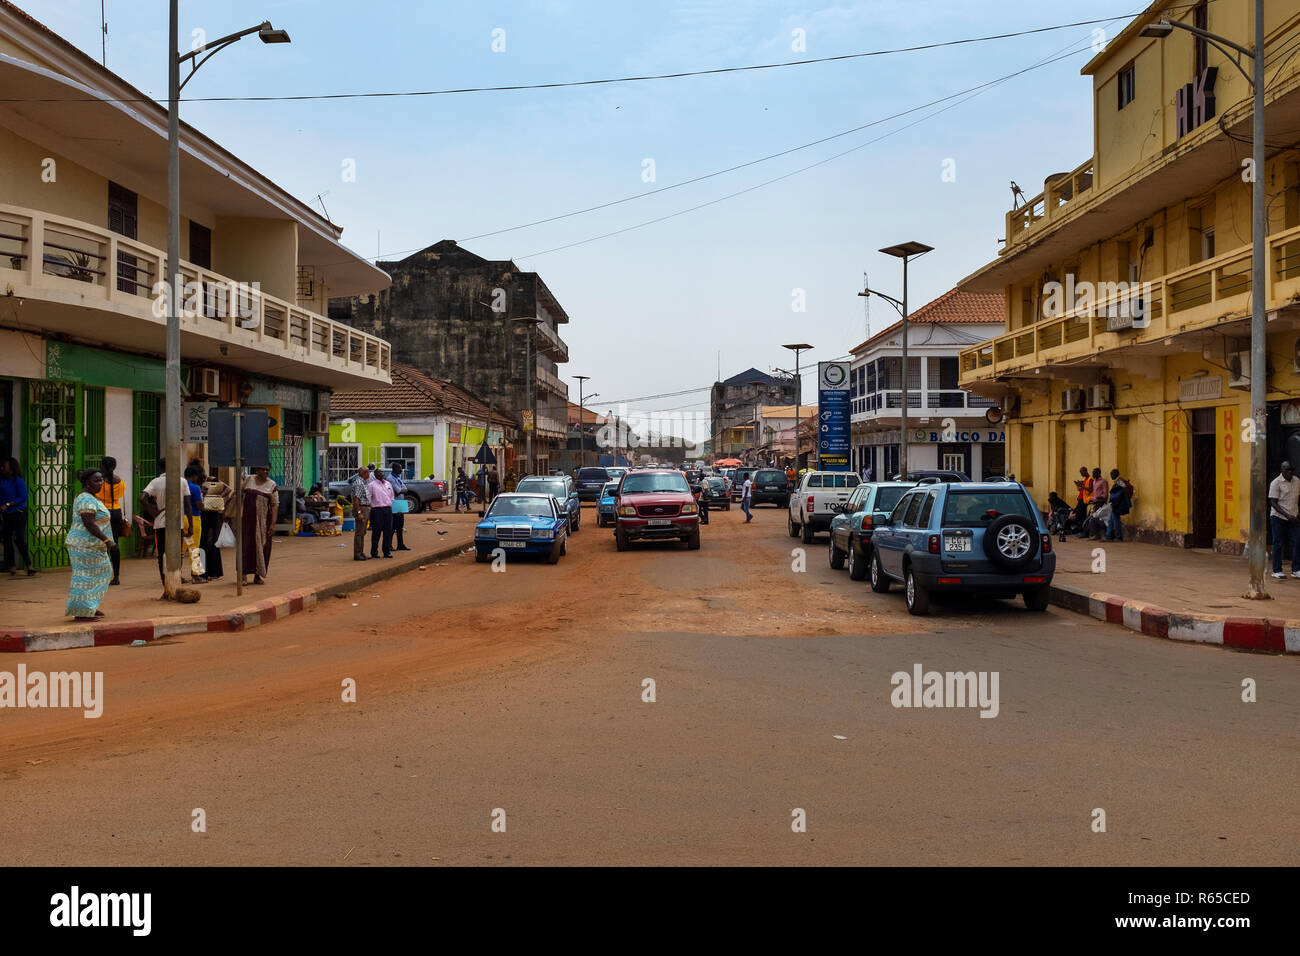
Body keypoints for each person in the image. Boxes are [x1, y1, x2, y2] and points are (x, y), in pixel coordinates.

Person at [65, 469, 116, 621]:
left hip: (93, 546)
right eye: (96, 480)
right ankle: (82, 612)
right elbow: (89, 522)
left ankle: (89, 607)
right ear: (87, 482)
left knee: (100, 572)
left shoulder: (91, 497)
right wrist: (107, 540)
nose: (100, 483)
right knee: (85, 577)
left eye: (101, 480)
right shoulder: (85, 499)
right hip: (83, 545)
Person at [142, 459, 195, 592]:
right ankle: (177, 577)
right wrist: (191, 525)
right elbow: (188, 504)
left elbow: (142, 498)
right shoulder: (182, 481)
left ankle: (164, 580)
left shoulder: (156, 482)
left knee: (161, 553)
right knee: (178, 552)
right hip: (178, 523)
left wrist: (152, 511)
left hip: (160, 523)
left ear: (160, 468)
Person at [93, 456, 129, 585]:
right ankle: (116, 576)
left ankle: (101, 574)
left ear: (103, 466)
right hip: (116, 512)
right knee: (114, 544)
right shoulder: (120, 481)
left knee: (101, 543)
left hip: (103, 512)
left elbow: (96, 494)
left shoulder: (101, 481)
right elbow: (121, 494)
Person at [241, 466, 277, 585]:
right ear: (257, 470)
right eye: (263, 469)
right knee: (245, 546)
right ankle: (243, 576)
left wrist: (272, 524)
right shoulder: (248, 479)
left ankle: (258, 576)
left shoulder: (272, 485)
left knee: (262, 547)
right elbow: (239, 495)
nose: (265, 472)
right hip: (247, 520)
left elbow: (274, 505)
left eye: (267, 470)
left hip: (263, 521)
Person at [0, 456, 35, 576]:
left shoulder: (18, 481)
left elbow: (23, 497)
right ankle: (12, 566)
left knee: (18, 538)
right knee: (7, 539)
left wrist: (8, 504)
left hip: (18, 512)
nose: (2, 468)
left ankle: (29, 565)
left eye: (4, 466)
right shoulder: (2, 480)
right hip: (7, 514)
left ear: (11, 468)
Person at [199, 470, 233, 581]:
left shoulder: (211, 480)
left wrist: (218, 497)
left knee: (211, 541)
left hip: (211, 512)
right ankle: (203, 573)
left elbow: (228, 489)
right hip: (203, 513)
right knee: (203, 542)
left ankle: (213, 572)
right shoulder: (196, 484)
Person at [1268, 461, 1300, 579]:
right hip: (1278, 517)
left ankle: (1296, 569)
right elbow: (1273, 503)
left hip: (1294, 517)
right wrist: (1287, 515)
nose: (1290, 472)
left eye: (1291, 470)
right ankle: (1277, 570)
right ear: (1282, 470)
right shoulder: (1276, 483)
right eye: (1287, 470)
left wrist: (1298, 514)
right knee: (1278, 543)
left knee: (1298, 541)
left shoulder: (1297, 481)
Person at [368, 466, 395, 558]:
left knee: (388, 531)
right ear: (375, 475)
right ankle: (374, 552)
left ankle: (386, 551)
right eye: (378, 473)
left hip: (388, 509)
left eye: (382, 473)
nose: (381, 474)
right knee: (377, 532)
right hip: (377, 510)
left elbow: (392, 496)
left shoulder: (388, 484)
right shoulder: (371, 485)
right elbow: (369, 498)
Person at [385, 462, 411, 551]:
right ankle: (389, 545)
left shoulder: (398, 477)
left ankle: (400, 544)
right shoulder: (390, 478)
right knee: (394, 525)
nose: (401, 470)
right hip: (395, 502)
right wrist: (401, 490)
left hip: (401, 502)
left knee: (400, 525)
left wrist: (401, 490)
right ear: (395, 469)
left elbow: (405, 489)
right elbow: (398, 490)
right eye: (400, 468)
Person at [349, 464, 372, 560]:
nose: (369, 474)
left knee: (363, 532)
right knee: (359, 532)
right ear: (364, 473)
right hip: (362, 508)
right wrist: (359, 512)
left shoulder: (364, 482)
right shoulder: (359, 483)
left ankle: (361, 552)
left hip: (366, 508)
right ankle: (357, 554)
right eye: (368, 472)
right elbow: (356, 499)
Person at [1106, 469, 1131, 542]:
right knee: (1111, 520)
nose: (1111, 476)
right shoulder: (1117, 481)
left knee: (1116, 520)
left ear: (1116, 474)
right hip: (1115, 503)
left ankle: (1118, 537)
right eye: (1111, 474)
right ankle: (1108, 536)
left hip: (1117, 504)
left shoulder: (1119, 481)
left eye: (1112, 474)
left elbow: (1124, 490)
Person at [1073, 466, 1093, 536]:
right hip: (1083, 499)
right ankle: (1081, 531)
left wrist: (1082, 486)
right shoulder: (1085, 479)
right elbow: (1082, 489)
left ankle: (1083, 531)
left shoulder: (1090, 479)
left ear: (1085, 471)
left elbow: (1090, 489)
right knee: (1080, 515)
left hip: (1087, 500)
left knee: (1079, 515)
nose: (1081, 474)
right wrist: (1079, 486)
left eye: (1082, 472)